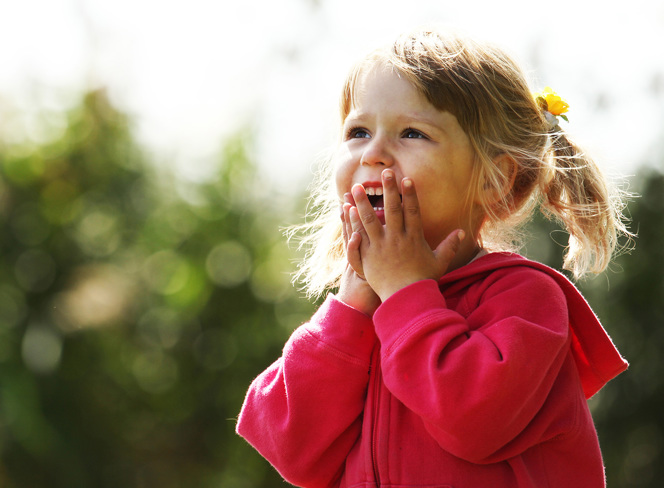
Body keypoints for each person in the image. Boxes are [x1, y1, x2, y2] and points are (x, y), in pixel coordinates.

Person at [236, 29, 632, 487]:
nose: (374, 154)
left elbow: (474, 422)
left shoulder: (526, 298)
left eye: (412, 133)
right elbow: (292, 449)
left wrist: (406, 292)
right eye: (358, 131)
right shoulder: (363, 311)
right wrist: (349, 307)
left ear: (495, 181)